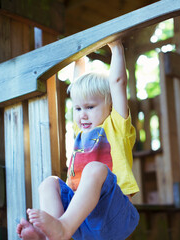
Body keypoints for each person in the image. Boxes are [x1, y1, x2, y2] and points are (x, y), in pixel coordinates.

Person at [16, 40, 140, 240]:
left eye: (90, 107)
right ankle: (51, 234)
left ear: (109, 108)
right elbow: (76, 85)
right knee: (50, 183)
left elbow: (118, 83)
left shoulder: (116, 126)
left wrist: (116, 47)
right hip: (81, 220)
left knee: (95, 168)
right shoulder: (80, 131)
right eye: (78, 108)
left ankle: (62, 228)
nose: (82, 114)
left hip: (114, 215)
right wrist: (79, 56)